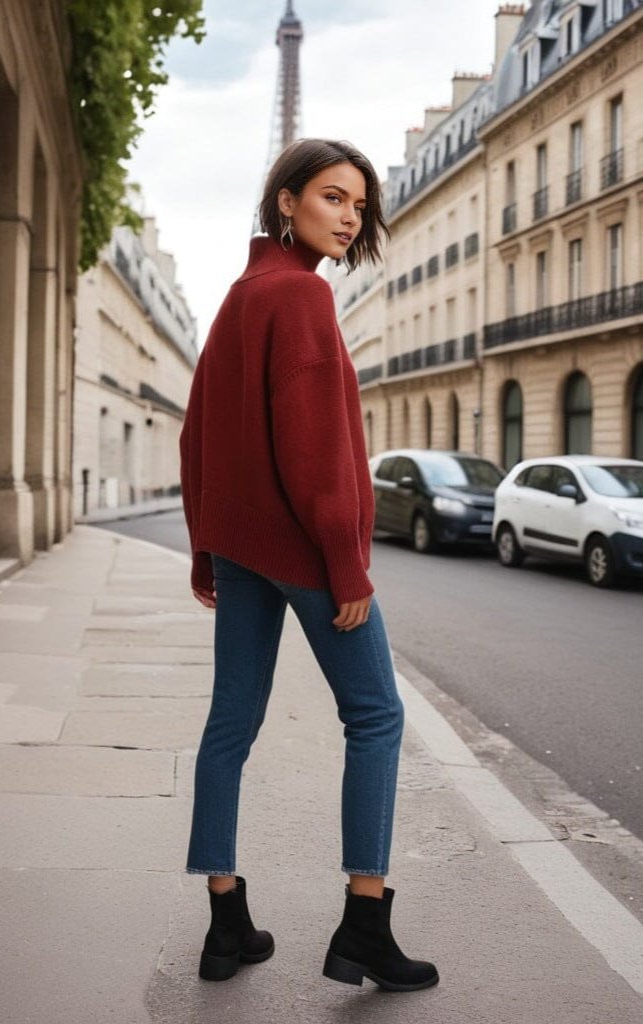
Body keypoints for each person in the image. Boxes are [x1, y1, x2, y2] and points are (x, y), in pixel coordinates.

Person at [179, 138, 439, 993]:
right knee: (376, 717)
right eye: (333, 198)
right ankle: (365, 921)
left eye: (359, 206)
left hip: (243, 548)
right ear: (285, 201)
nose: (348, 217)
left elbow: (196, 434)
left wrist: (204, 545)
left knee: (230, 725)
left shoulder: (242, 295)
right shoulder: (300, 300)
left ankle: (227, 924)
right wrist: (348, 565)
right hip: (304, 552)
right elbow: (319, 455)